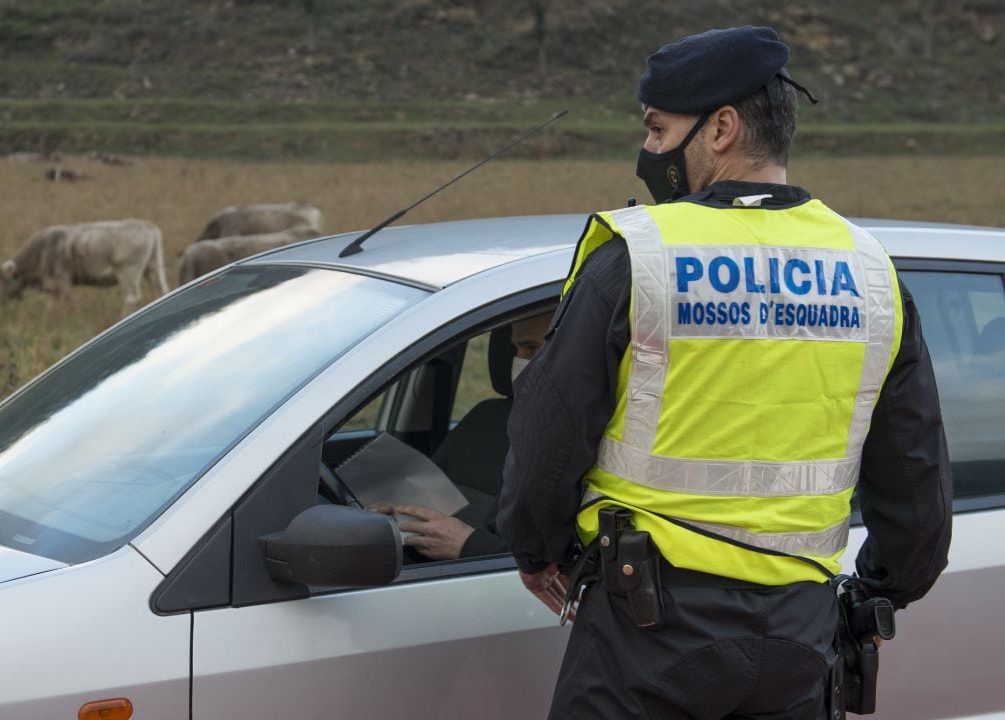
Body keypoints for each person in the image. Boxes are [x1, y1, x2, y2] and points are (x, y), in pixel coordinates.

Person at [496, 26, 952, 720]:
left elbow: (548, 429)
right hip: (800, 641)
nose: (648, 150)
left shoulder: (639, 256)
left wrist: (535, 550)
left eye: (656, 129)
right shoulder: (869, 274)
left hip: (648, 635)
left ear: (722, 129)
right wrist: (879, 591)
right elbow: (916, 481)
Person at [372, 310, 554, 561]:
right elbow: (426, 507)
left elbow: (549, 570)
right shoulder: (484, 419)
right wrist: (393, 520)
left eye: (531, 348)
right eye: (516, 349)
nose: (518, 360)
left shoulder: (585, 445)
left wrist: (469, 545)